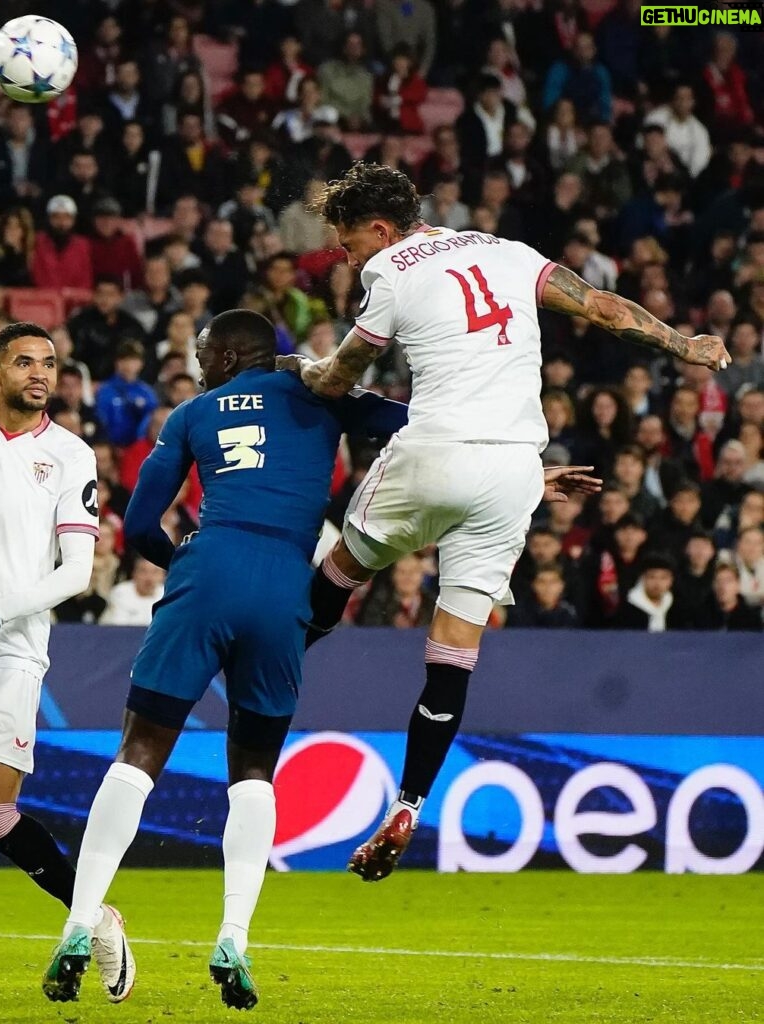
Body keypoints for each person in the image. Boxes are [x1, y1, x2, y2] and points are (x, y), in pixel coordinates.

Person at [280, 161, 729, 882]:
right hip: (516, 470)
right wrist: (689, 346)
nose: (347, 257)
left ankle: (269, 674)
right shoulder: (506, 251)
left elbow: (340, 378)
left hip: (433, 454)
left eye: (347, 242)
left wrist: (302, 369)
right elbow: (606, 309)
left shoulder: (389, 268)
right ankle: (410, 802)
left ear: (379, 228)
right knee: (454, 651)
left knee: (340, 573)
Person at [40, 309, 409, 1008]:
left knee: (139, 751)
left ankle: (79, 922)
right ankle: (234, 935)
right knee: (254, 772)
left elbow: (143, 523)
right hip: (284, 583)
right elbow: (403, 425)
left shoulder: (191, 413)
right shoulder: (322, 395)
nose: (197, 359)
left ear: (233, 355)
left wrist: (184, 564)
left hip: (208, 567)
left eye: (203, 350)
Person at [0, 321, 135, 1010]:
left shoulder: (70, 454)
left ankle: (96, 917)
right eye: (24, 361)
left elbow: (78, 571)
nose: (39, 373)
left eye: (49, 363)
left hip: (12, 653)